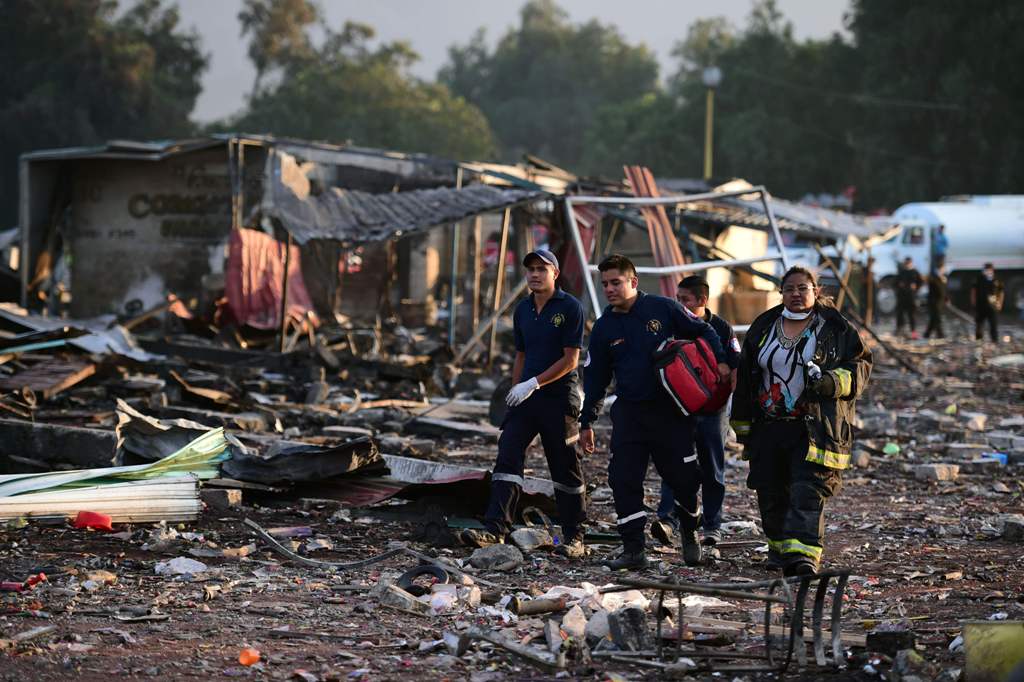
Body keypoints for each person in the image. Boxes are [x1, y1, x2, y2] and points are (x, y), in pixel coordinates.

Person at [580, 254, 732, 569]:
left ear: (633, 282)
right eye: (605, 283)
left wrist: (719, 361)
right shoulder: (605, 327)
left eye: (616, 282)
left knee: (685, 480)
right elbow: (595, 379)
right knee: (623, 480)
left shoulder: (663, 308)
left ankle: (690, 531)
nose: (609, 289)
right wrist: (587, 421)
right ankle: (634, 550)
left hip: (671, 415)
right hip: (630, 416)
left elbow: (704, 331)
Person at [731, 267, 872, 576]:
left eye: (803, 288)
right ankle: (779, 551)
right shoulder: (765, 326)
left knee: (807, 491)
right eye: (790, 289)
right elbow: (745, 377)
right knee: (770, 491)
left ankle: (804, 557)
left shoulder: (835, 328)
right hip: (769, 426)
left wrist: (832, 382)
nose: (796, 294)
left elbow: (860, 366)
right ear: (781, 293)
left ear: (815, 291)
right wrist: (742, 425)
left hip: (814, 427)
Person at [460, 249, 588, 559]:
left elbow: (571, 360)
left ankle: (574, 536)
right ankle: (495, 529)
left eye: (541, 269)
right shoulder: (522, 310)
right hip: (526, 401)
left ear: (554, 273)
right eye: (530, 269)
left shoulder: (570, 308)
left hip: (558, 400)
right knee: (508, 455)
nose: (534, 274)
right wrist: (516, 388)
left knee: (564, 466)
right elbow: (521, 354)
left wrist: (534, 383)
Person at [651, 276, 740, 555]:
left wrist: (733, 411)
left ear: (702, 300)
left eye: (685, 299)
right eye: (677, 299)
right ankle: (668, 520)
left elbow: (735, 367)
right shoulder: (673, 325)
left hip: (712, 412)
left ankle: (712, 526)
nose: (680, 304)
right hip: (677, 409)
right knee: (674, 466)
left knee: (712, 468)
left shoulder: (721, 329)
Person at [971, 263, 1004, 343]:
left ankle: (994, 341)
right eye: (985, 270)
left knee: (993, 325)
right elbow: (973, 291)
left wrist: (1000, 303)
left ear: (992, 271)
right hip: (981, 306)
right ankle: (978, 341)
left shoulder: (997, 280)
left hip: (992, 307)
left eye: (988, 270)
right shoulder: (979, 279)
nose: (987, 272)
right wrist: (974, 302)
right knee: (979, 325)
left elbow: (1001, 292)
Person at [894, 257, 923, 338]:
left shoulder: (915, 272)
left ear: (911, 263)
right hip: (902, 298)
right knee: (900, 315)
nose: (907, 265)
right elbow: (895, 283)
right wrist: (899, 285)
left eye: (908, 263)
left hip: (911, 297)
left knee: (912, 316)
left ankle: (913, 332)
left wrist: (916, 287)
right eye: (906, 263)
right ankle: (899, 330)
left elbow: (921, 282)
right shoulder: (901, 272)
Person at [924, 264, 947, 339]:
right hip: (934, 302)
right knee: (937, 319)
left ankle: (926, 334)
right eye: (942, 269)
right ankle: (940, 335)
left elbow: (944, 291)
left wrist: (946, 299)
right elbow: (938, 290)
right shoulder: (933, 279)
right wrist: (941, 280)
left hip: (940, 302)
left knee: (933, 320)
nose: (943, 270)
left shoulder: (943, 278)